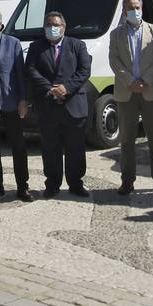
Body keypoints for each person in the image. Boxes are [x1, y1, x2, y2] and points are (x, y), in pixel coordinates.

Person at [109, 0, 153, 196]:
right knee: (127, 139)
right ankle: (127, 180)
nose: (134, 11)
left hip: (151, 91)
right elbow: (114, 60)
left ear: (142, 9)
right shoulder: (116, 34)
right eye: (130, 8)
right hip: (126, 92)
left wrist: (145, 81)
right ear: (124, 10)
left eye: (137, 7)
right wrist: (130, 81)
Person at [24, 11, 93, 198]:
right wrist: (51, 89)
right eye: (49, 25)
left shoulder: (77, 45)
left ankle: (76, 183)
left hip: (73, 104)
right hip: (47, 105)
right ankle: (52, 184)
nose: (52, 28)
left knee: (76, 147)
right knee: (50, 147)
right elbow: (30, 69)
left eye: (56, 25)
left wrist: (66, 88)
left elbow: (84, 70)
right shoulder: (36, 47)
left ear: (64, 27)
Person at [0, 11, 31, 201]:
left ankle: (22, 187)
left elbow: (20, 74)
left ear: (0, 24)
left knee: (18, 146)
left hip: (10, 101)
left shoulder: (13, 43)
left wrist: (23, 99)